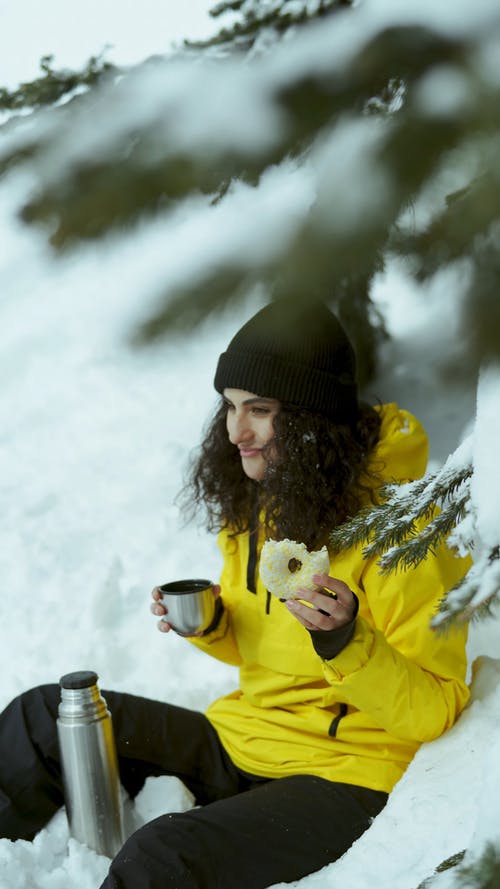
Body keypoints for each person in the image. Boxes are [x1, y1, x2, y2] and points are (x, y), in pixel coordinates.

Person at [0, 301, 470, 889]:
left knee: (161, 858)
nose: (234, 431)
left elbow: (436, 709)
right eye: (229, 406)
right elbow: (265, 643)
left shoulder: (399, 533)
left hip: (346, 775)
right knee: (45, 715)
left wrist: (346, 639)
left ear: (311, 421)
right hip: (245, 740)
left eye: (259, 411)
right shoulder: (265, 501)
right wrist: (213, 625)